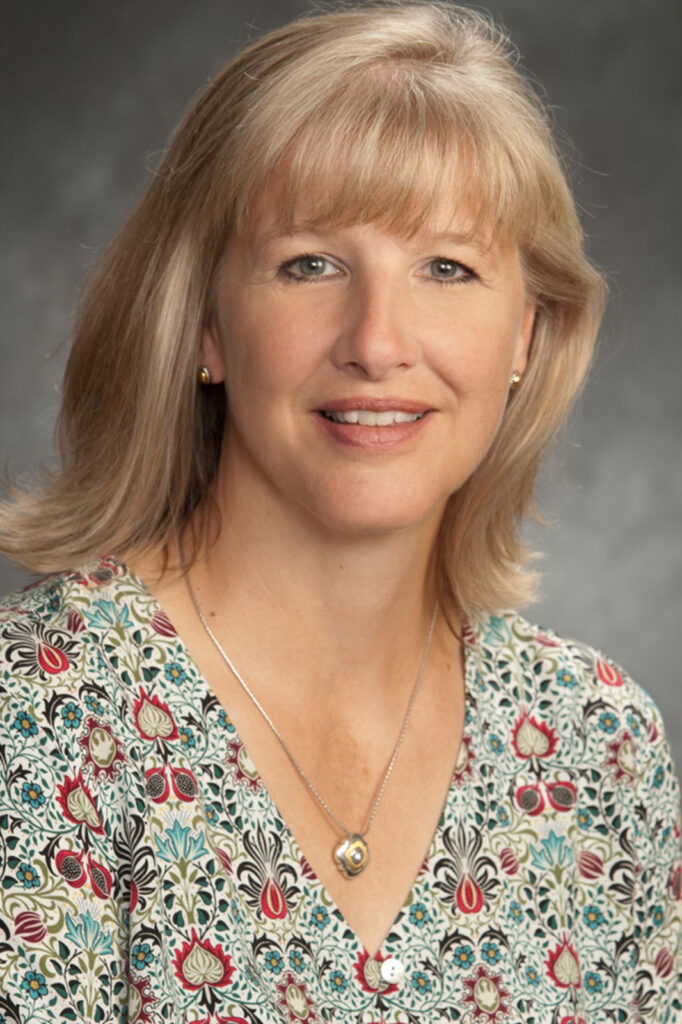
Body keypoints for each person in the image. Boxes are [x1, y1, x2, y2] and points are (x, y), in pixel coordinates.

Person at [0, 2, 679, 1021]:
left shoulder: (600, 747)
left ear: (525, 338)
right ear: (205, 325)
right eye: (309, 263)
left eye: (446, 267)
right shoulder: (46, 717)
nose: (377, 340)